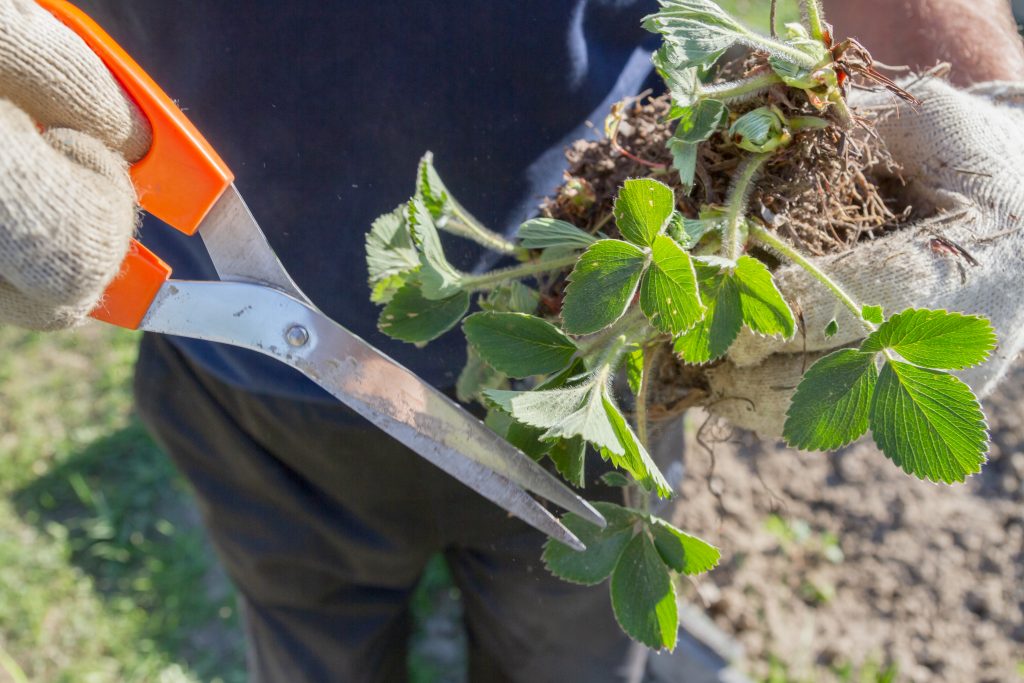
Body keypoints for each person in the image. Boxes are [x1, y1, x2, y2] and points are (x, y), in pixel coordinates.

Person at [0, 0, 1021, 681]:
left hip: (599, 349)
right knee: (314, 645)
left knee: (569, 654)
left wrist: (987, 101)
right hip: (240, 374)